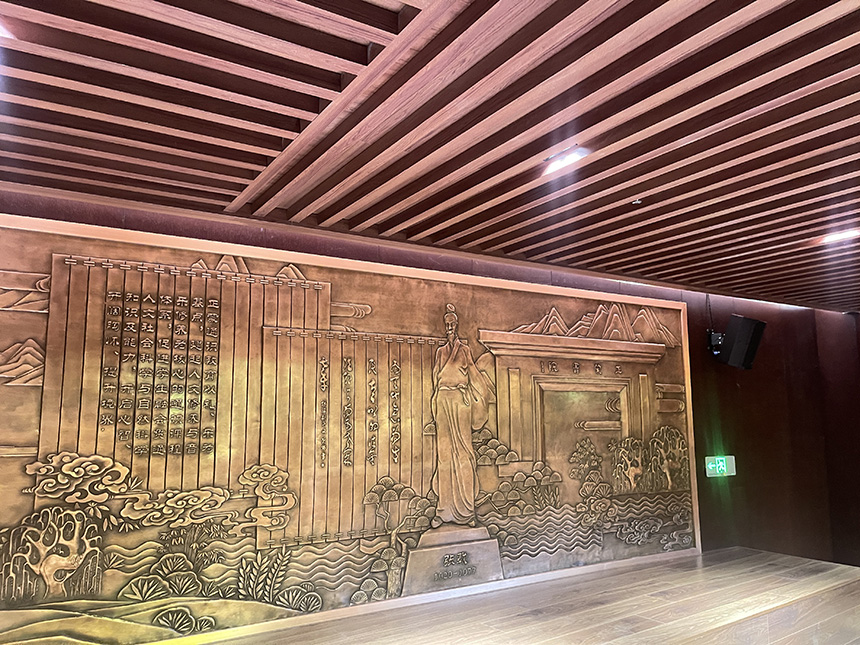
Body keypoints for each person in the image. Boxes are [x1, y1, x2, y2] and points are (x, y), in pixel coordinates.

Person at [430, 304, 494, 526]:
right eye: (446, 324)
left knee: (464, 453)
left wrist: (483, 397)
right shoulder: (440, 352)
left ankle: (467, 511)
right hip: (443, 402)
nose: (449, 328)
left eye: (452, 324)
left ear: (456, 325)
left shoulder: (464, 350)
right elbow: (435, 379)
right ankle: (443, 510)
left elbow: (475, 377)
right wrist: (436, 401)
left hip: (460, 402)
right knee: (444, 455)